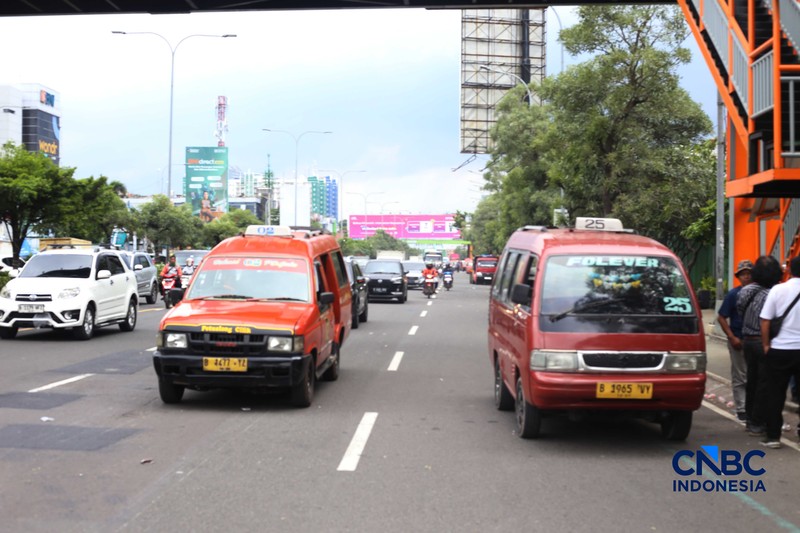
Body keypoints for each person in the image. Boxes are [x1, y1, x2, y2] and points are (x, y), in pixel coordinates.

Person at [736, 255, 783, 437]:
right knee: (765, 384)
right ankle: (758, 422)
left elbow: (740, 311)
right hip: (763, 341)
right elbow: (771, 319)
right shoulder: (772, 293)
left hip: (748, 340)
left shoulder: (745, 291)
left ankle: (750, 419)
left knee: (752, 380)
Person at [759, 256, 800, 449]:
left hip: (780, 349)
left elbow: (765, 320)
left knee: (775, 394)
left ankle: (773, 436)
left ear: (789, 270)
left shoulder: (778, 290)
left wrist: (766, 345)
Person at [718, 259, 753, 422]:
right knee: (740, 376)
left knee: (753, 375)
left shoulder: (759, 294)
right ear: (738, 277)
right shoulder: (733, 294)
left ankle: (752, 407)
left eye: (748, 274)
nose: (746, 277)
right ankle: (741, 409)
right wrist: (732, 337)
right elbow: (721, 317)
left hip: (755, 341)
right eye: (743, 274)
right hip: (738, 339)